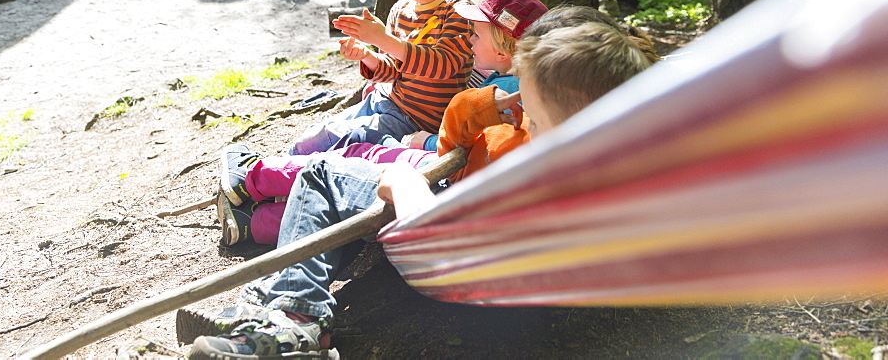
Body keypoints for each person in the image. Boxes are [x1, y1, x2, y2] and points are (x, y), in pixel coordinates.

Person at [185, 20, 653, 360]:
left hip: (446, 261)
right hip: (463, 232)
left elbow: (445, 242)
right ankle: (274, 308)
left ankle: (294, 320)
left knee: (320, 176)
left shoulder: (537, 174)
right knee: (338, 191)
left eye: (528, 106)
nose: (517, 113)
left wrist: (408, 186)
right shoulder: (599, 169)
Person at [215, 0, 549, 247]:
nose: (469, 39)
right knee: (347, 201)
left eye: (476, 34)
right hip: (447, 180)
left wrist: (428, 140)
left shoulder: (505, 96)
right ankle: (255, 224)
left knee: (351, 163)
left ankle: (250, 177)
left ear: (504, 50)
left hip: (443, 177)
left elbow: (466, 147)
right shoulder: (517, 83)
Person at [287, 0, 475, 156]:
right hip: (384, 101)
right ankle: (277, 172)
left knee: (330, 143)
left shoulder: (458, 9)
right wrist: (367, 56)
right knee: (314, 136)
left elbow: (443, 66)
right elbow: (393, 71)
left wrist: (383, 39)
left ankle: (282, 178)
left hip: (416, 121)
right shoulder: (400, 10)